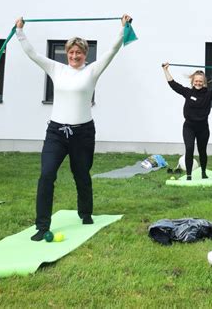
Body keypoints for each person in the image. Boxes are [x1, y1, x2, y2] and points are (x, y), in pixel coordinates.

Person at [16, 14, 131, 241]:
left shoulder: (93, 70)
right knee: (46, 175)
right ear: (66, 53)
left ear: (85, 54)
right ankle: (41, 226)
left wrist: (123, 28)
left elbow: (112, 51)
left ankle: (85, 213)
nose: (74, 56)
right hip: (56, 133)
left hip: (83, 133)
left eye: (78, 52)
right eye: (71, 52)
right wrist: (20, 31)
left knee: (81, 174)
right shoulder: (56, 69)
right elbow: (32, 54)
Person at [162, 64, 212, 180]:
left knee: (202, 151)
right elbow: (173, 84)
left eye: (200, 81)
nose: (198, 83)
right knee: (189, 149)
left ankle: (203, 172)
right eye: (196, 81)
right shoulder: (187, 92)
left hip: (203, 128)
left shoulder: (209, 94)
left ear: (204, 82)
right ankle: (189, 175)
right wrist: (165, 70)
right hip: (189, 127)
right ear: (193, 81)